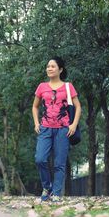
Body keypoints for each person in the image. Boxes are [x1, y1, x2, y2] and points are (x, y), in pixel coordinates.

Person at [32, 57, 81, 202]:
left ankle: (56, 193)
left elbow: (78, 107)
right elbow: (35, 106)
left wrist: (73, 125)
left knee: (60, 163)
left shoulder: (68, 87)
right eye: (48, 66)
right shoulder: (42, 87)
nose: (49, 69)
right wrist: (36, 123)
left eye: (53, 66)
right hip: (45, 129)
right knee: (40, 159)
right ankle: (47, 187)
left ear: (60, 69)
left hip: (63, 130)